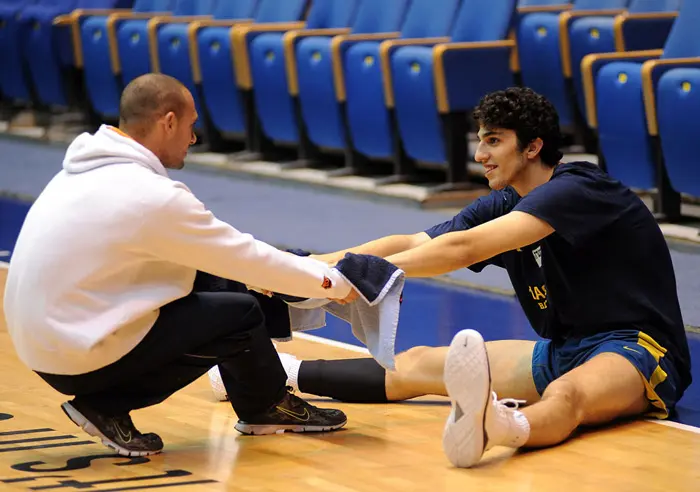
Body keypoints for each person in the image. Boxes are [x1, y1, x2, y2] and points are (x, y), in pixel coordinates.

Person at [232, 87, 693, 468]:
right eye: (480, 141)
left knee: (566, 393)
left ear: (532, 147)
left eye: (493, 141)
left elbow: (464, 248)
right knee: (415, 364)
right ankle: (278, 374)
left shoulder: (581, 188)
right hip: (564, 349)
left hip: (636, 348)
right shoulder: (505, 199)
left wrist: (354, 276)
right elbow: (413, 242)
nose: (480, 154)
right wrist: (312, 267)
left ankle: (500, 426)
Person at [3, 73, 357, 458]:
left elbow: (227, 262)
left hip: (43, 341)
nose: (193, 138)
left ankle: (266, 404)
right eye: (190, 126)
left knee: (223, 284)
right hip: (74, 353)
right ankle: (107, 405)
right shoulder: (150, 195)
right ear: (168, 122)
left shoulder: (81, 170)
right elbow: (245, 256)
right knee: (237, 313)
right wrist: (333, 284)